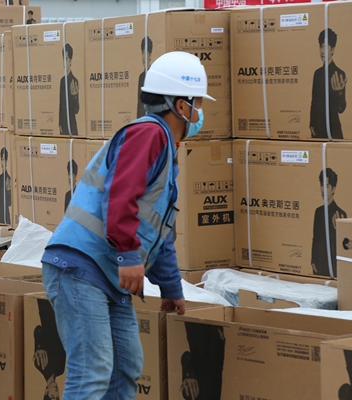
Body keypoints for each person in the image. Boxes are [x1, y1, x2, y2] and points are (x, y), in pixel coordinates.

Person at [40, 51, 213, 399]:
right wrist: (129, 256)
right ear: (181, 106)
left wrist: (171, 288)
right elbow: (120, 197)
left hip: (106, 273)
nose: (199, 113)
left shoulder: (164, 149)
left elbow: (159, 234)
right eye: (197, 104)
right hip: (81, 267)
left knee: (124, 369)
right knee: (92, 372)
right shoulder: (149, 135)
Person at [310, 28, 346, 139]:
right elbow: (314, 101)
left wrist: (339, 93)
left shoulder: (339, 74)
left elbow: (341, 108)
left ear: (332, 49)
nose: (322, 51)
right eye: (321, 46)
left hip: (333, 128)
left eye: (325, 47)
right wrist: (311, 123)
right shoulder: (317, 73)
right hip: (317, 128)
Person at [311, 168, 346, 277]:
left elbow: (344, 246)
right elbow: (315, 238)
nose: (323, 190)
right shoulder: (318, 211)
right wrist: (313, 260)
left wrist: (337, 230)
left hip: (333, 265)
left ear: (333, 189)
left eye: (327, 186)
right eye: (322, 185)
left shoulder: (340, 214)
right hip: (318, 263)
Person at [180, 323, 225, 400]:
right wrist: (221, 341)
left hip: (199, 334)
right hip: (214, 341)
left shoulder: (192, 394)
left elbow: (186, 356)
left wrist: (189, 373)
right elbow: (218, 371)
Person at [34, 298, 66, 400]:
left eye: (52, 396)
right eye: (57, 397)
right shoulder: (61, 370)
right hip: (63, 314)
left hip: (48, 311)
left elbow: (38, 329)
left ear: (46, 391)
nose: (56, 393)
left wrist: (40, 346)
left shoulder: (40, 365)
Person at [59, 43, 79, 136]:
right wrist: (60, 123)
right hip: (63, 125)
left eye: (66, 59)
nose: (64, 62)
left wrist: (74, 96)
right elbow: (61, 104)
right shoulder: (62, 80)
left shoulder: (74, 81)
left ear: (70, 61)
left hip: (71, 125)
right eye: (63, 58)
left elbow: (76, 109)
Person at [137, 36, 153, 120]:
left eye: (146, 53)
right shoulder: (141, 77)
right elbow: (139, 104)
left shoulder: (154, 75)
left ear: (150, 55)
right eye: (142, 53)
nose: (144, 57)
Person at [0, 146, 12, 225]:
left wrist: (9, 190)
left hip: (6, 215)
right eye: (1, 159)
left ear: (6, 162)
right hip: (0, 214)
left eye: (4, 160)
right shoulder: (0, 177)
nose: (3, 163)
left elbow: (9, 203)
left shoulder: (8, 179)